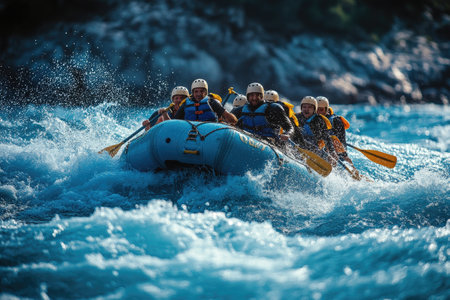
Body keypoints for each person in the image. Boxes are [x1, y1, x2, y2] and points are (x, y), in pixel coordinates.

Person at [295, 96, 338, 163]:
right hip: (298, 144)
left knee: (327, 157)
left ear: (314, 109)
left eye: (310, 107)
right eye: (304, 107)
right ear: (301, 108)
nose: (306, 109)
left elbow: (326, 137)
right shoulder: (296, 117)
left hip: (313, 147)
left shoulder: (319, 120)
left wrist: (332, 152)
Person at [317, 96, 356, 167]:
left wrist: (337, 154)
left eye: (321, 110)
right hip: (322, 149)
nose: (318, 112)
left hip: (337, 150)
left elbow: (341, 141)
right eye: (316, 110)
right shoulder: (313, 120)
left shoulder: (336, 121)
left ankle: (352, 170)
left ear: (326, 110)